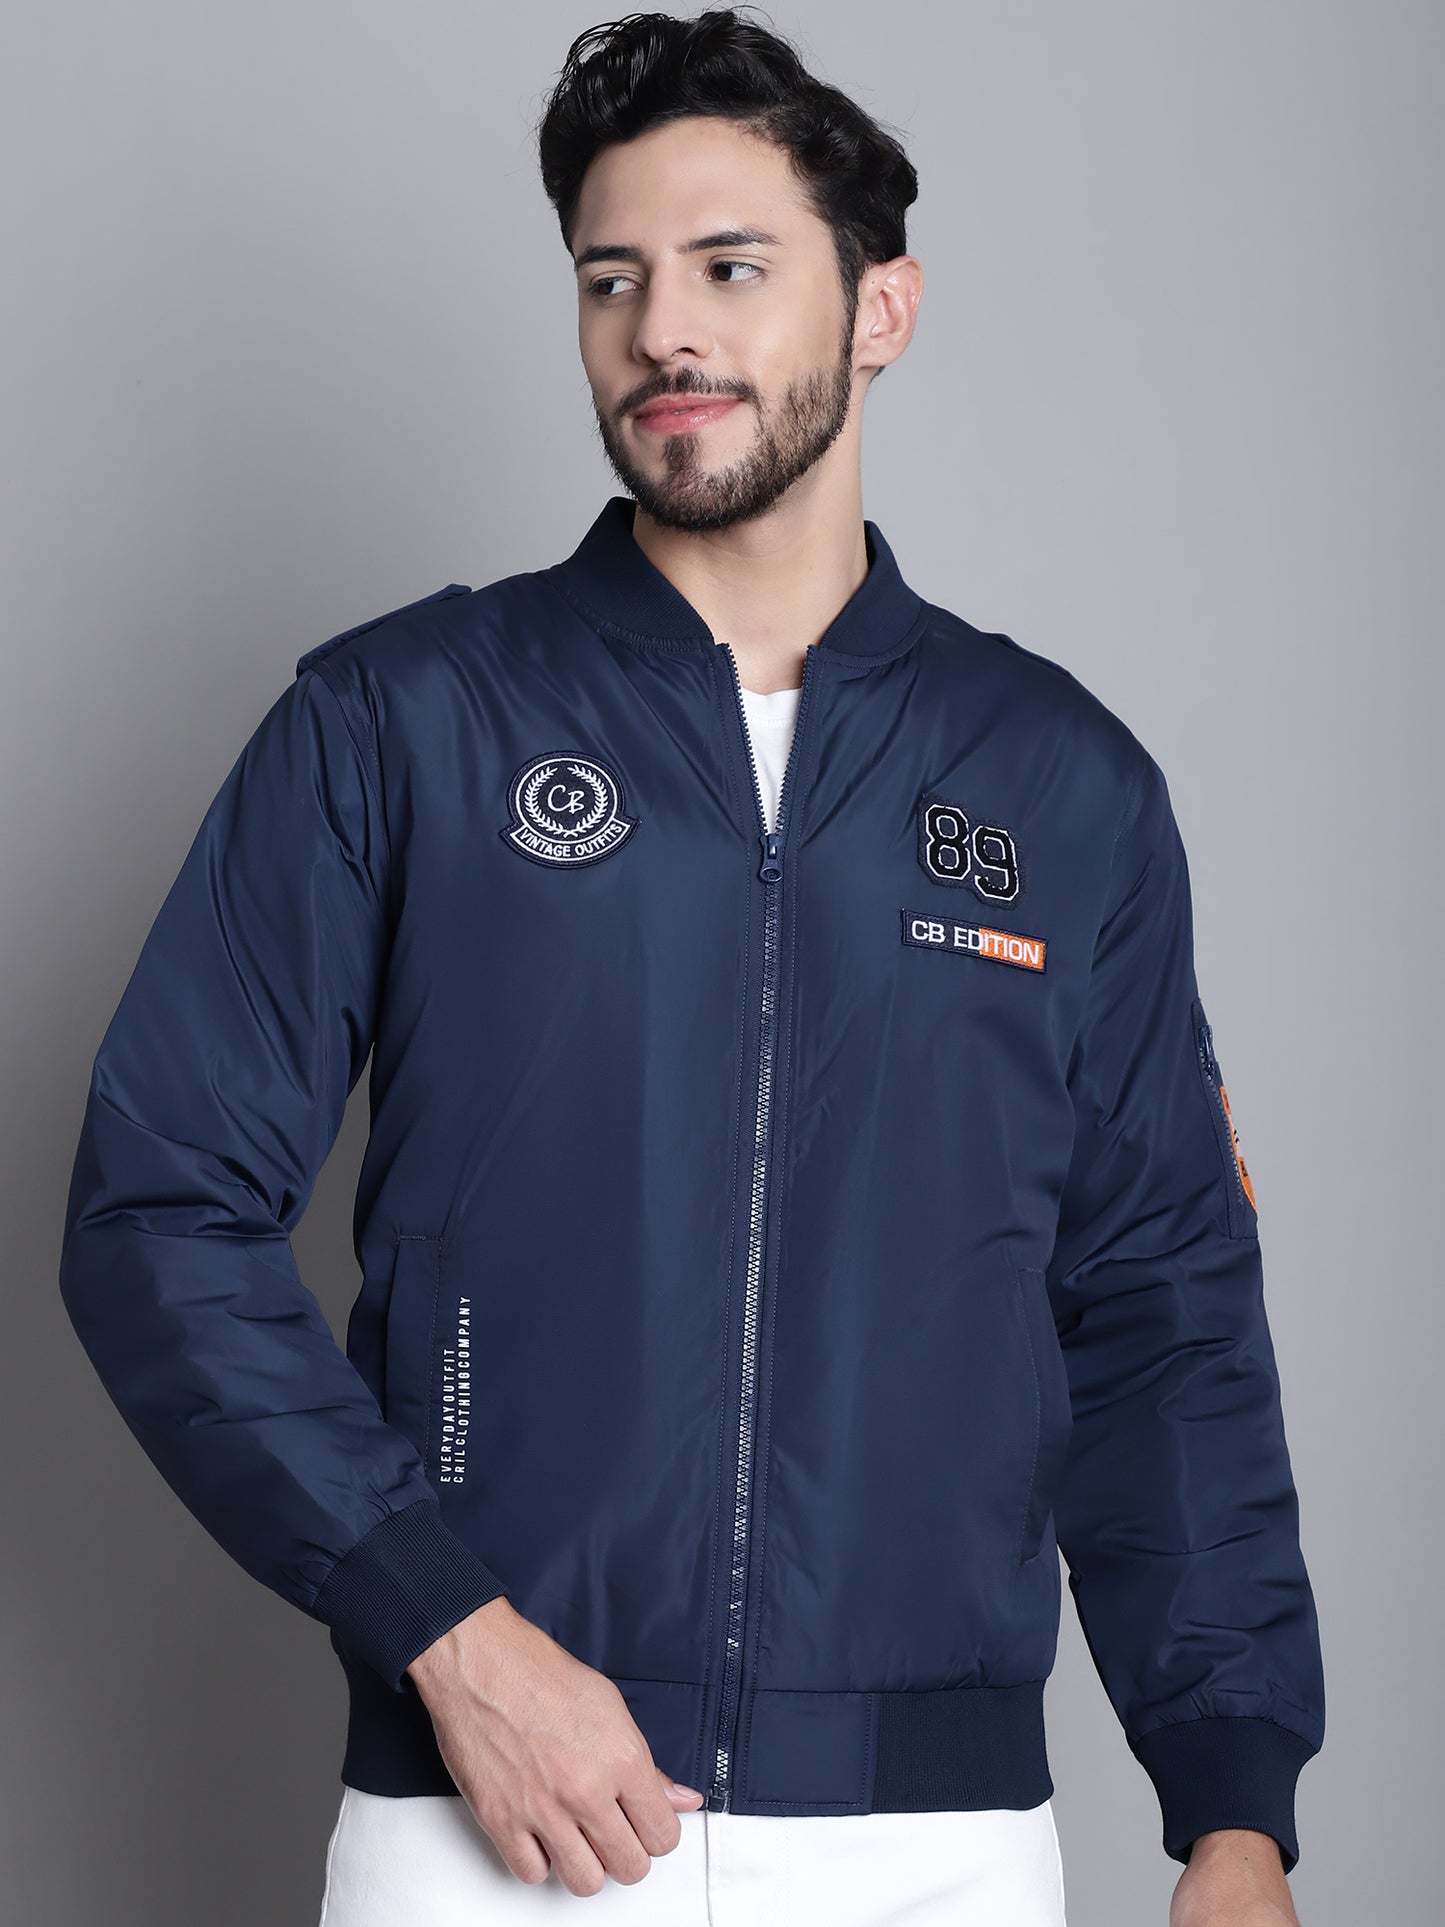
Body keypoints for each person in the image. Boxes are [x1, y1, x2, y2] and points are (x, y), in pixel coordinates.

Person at [57, 9, 1324, 1924]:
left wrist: (1230, 1815)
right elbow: (159, 1212)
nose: (661, 329)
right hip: (494, 1813)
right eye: (611, 278)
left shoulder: (1062, 785)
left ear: (880, 309)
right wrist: (448, 1630)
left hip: (933, 1850)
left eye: (730, 268)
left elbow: (1160, 1307)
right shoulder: (403, 721)